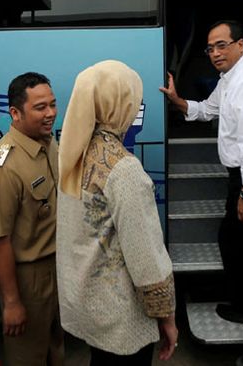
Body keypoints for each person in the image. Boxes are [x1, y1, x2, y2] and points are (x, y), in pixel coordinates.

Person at [159, 20, 243, 366]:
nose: (215, 53)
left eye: (222, 45)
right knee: (230, 242)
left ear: (240, 45)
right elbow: (208, 109)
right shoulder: (230, 79)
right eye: (210, 48)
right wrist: (178, 101)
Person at [58, 60, 177, 365]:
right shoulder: (123, 169)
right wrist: (166, 316)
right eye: (133, 99)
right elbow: (145, 255)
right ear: (119, 104)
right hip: (121, 315)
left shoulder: (75, 150)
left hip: (88, 303)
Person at [0, 72, 64, 366]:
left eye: (53, 104)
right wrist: (12, 302)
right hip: (27, 279)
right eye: (40, 107)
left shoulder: (48, 143)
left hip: (56, 268)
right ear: (15, 113)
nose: (50, 113)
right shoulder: (2, 167)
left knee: (55, 348)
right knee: (28, 356)